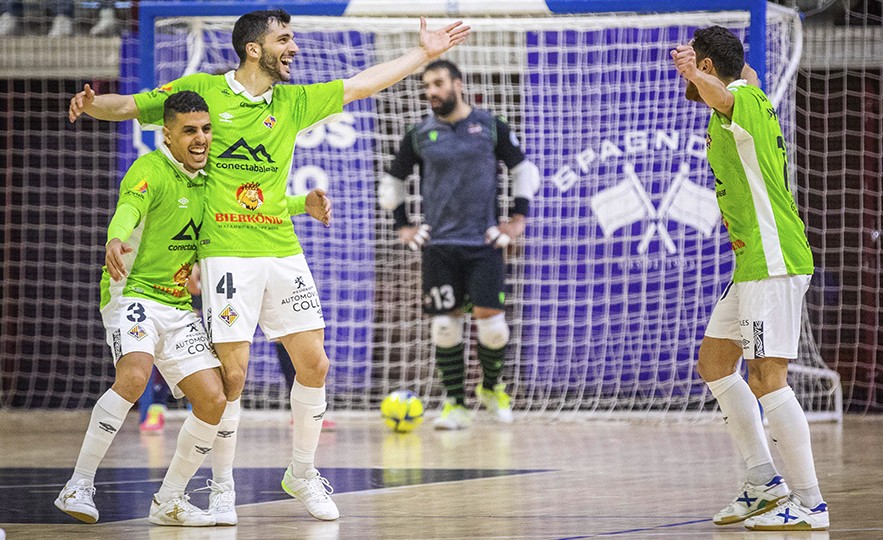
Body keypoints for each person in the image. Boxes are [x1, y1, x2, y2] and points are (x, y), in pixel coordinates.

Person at [67, 9, 469, 522]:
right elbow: (131, 105)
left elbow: (361, 85)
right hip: (227, 253)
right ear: (254, 49)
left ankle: (301, 473)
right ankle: (221, 488)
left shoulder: (293, 101)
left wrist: (426, 53)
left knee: (315, 363)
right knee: (232, 378)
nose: (293, 47)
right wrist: (91, 103)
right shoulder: (203, 92)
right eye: (284, 39)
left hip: (282, 248)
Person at [671, 27, 829, 531]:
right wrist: (717, 71)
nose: (688, 78)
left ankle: (810, 503)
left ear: (709, 67)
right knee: (715, 364)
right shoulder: (749, 92)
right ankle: (763, 482)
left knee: (766, 376)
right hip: (751, 265)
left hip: (774, 260)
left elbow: (726, 91)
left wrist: (699, 75)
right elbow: (743, 79)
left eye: (697, 64)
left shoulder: (735, 99)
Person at [54, 91, 227, 527]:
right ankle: (78, 484)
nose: (201, 138)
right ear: (166, 134)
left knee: (213, 399)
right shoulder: (149, 168)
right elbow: (128, 209)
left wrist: (304, 206)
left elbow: (253, 209)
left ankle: (170, 499)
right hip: (131, 293)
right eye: (190, 130)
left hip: (176, 303)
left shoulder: (212, 178)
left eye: (206, 129)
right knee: (133, 376)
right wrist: (115, 237)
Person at [377, 60, 541, 430]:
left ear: (458, 84)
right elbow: (392, 183)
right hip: (440, 247)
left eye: (437, 84)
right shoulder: (419, 134)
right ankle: (455, 404)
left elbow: (523, 171)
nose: (431, 92)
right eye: (426, 86)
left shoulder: (490, 127)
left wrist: (517, 219)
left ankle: (491, 387)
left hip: (483, 243)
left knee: (494, 329)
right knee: (445, 330)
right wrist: (404, 225)